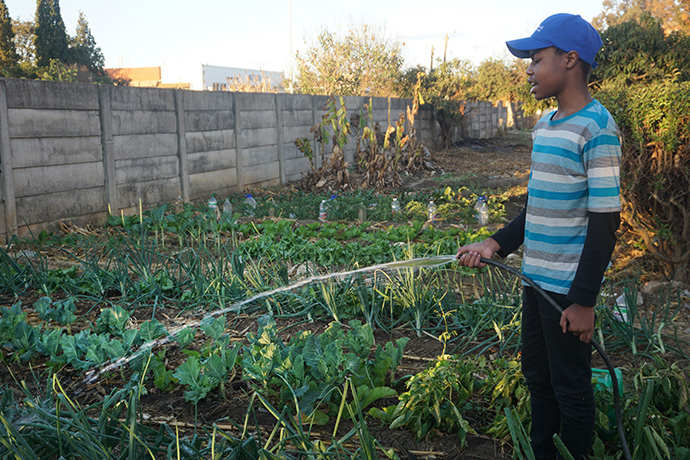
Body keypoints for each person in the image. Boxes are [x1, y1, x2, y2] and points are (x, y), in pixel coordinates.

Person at [456, 13, 621, 460]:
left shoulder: (597, 129)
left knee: (570, 384)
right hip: (535, 281)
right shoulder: (545, 125)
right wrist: (495, 243)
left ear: (570, 60)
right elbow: (537, 207)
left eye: (536, 58)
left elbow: (606, 222)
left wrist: (583, 300)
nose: (527, 68)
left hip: (566, 289)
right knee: (537, 376)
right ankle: (544, 451)